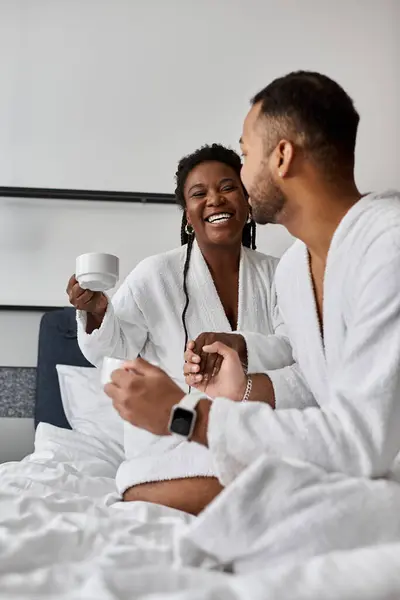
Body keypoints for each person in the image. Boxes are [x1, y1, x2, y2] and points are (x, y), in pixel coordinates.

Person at [104, 71, 400, 491]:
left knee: (149, 486)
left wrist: (185, 415)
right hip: (344, 458)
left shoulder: (389, 246)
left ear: (281, 157)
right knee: (137, 478)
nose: (238, 178)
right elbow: (315, 384)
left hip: (375, 466)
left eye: (244, 155)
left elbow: (363, 440)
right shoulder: (297, 268)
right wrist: (243, 388)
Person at [67, 143, 293, 515]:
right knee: (261, 487)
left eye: (227, 187)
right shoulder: (155, 275)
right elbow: (114, 351)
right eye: (199, 193)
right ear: (187, 216)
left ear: (248, 202)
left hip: (254, 436)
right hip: (170, 442)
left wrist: (238, 345)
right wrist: (97, 311)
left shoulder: (280, 274)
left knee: (270, 475)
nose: (215, 200)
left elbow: (295, 351)